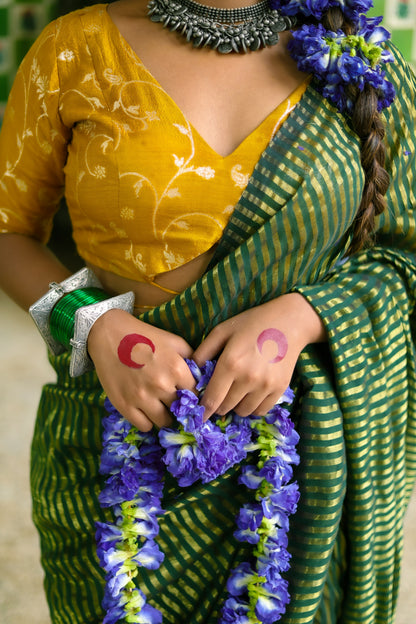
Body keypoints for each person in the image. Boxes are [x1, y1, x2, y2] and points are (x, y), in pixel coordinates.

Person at [0, 0, 415, 622]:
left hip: (305, 471)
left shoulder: (362, 63)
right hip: (118, 440)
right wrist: (92, 324)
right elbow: (8, 231)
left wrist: (299, 319)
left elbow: (404, 252)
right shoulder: (73, 50)